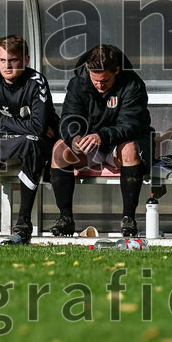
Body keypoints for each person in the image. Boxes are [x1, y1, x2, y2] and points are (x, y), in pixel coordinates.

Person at [49, 44, 153, 237]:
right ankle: (65, 218)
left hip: (118, 145)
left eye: (104, 80)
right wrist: (74, 138)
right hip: (90, 147)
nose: (99, 85)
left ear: (117, 70)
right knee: (59, 150)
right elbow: (68, 118)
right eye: (95, 80)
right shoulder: (78, 83)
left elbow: (131, 124)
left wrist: (102, 136)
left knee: (130, 149)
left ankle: (128, 219)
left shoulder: (133, 84)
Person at [0, 35, 58, 245]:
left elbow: (38, 128)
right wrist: (20, 124)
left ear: (26, 60)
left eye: (13, 60)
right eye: (2, 60)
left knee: (31, 142)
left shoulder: (37, 82)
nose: (7, 66)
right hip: (6, 140)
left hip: (36, 143)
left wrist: (2, 121)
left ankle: (24, 221)